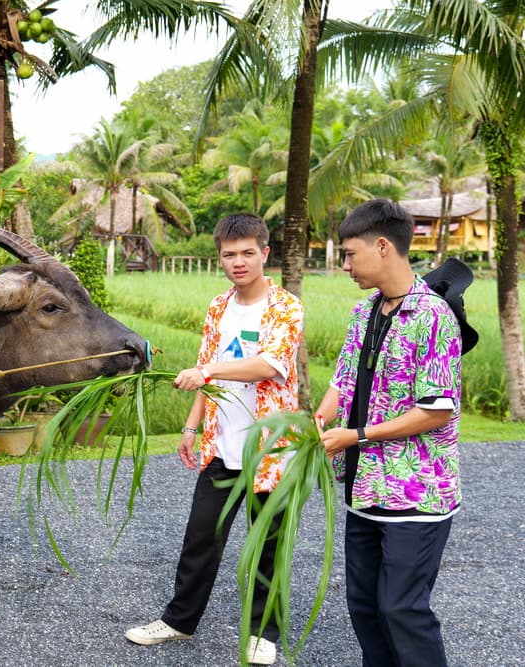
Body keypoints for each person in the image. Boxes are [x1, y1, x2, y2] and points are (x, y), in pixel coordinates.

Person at [125, 213, 304, 666]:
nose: (238, 262)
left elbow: (269, 365)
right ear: (220, 257)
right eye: (230, 254)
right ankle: (179, 621)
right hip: (221, 446)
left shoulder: (285, 307)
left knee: (268, 544)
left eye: (248, 253)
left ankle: (264, 634)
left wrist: (208, 370)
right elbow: (206, 371)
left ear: (265, 253)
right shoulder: (219, 306)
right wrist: (191, 427)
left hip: (271, 451)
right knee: (201, 537)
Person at [315, 198, 468, 667]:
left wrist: (356, 436)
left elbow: (437, 410)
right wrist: (319, 422)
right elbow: (342, 381)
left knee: (401, 609)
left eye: (349, 254)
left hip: (416, 494)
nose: (345, 265)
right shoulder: (365, 312)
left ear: (382, 247)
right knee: (364, 608)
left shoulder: (433, 317)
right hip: (364, 489)